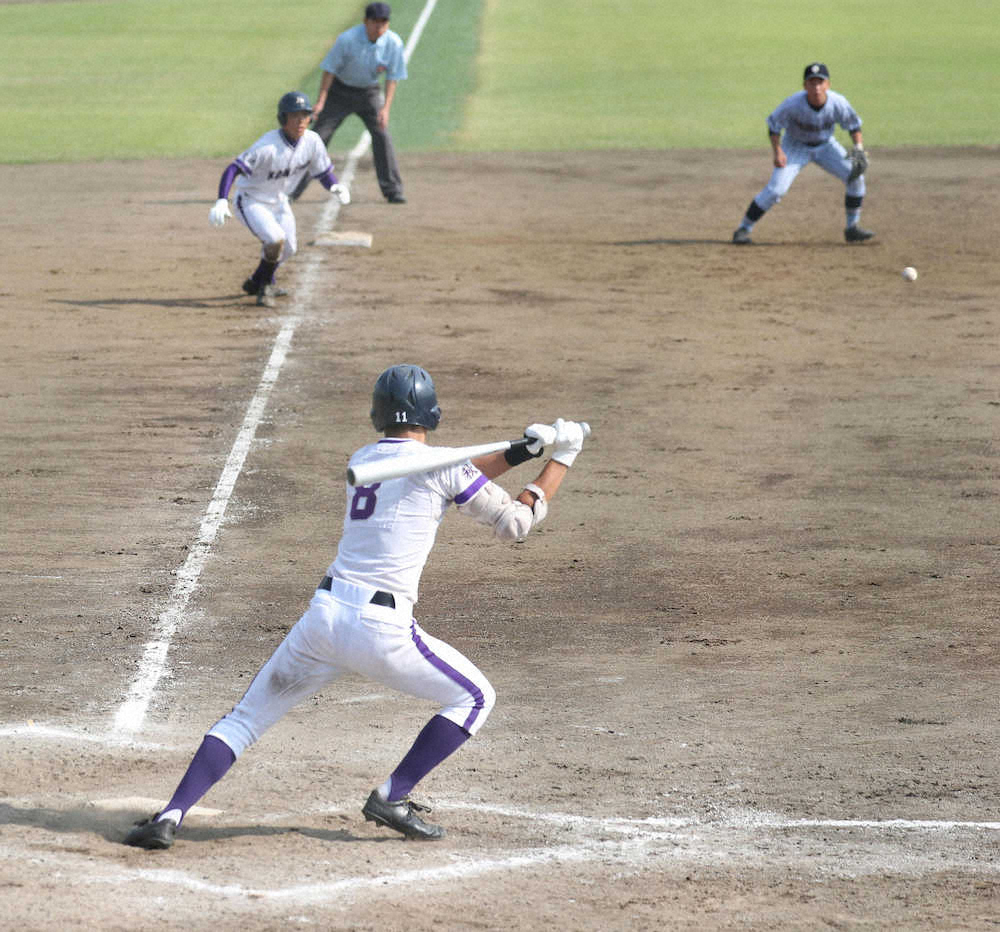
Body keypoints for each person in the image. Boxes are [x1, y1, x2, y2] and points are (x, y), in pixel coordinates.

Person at [123, 364, 589, 848]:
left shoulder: (365, 460)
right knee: (475, 698)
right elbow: (512, 522)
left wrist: (521, 451)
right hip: (381, 629)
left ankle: (170, 815)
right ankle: (392, 795)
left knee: (244, 719)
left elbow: (449, 477)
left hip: (323, 620)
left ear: (378, 413)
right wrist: (562, 458)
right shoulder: (442, 466)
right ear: (432, 412)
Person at [208, 91, 351, 308]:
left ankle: (256, 280)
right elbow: (233, 169)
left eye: (305, 116)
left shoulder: (312, 141)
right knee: (275, 239)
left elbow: (322, 172)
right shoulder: (267, 147)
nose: (301, 121)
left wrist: (334, 185)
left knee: (289, 248)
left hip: (280, 201)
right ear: (283, 119)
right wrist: (221, 200)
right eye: (295, 116)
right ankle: (265, 287)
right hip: (251, 201)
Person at [732, 63, 874, 245]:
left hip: (826, 146)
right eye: (812, 83)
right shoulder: (793, 104)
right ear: (805, 86)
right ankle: (744, 228)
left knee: (856, 177)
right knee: (776, 190)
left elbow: (854, 126)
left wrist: (858, 148)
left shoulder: (838, 102)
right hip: (795, 146)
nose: (816, 87)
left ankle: (852, 228)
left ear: (827, 85)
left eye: (820, 82)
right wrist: (777, 151)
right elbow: (774, 126)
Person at [291, 2, 408, 204]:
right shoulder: (348, 40)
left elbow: (392, 78)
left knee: (382, 135)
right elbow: (329, 70)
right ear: (366, 22)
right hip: (340, 91)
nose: (379, 27)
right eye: (375, 22)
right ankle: (292, 190)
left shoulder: (393, 43)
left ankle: (393, 190)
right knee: (318, 137)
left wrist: (386, 109)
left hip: (369, 93)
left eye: (383, 22)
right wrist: (321, 101)